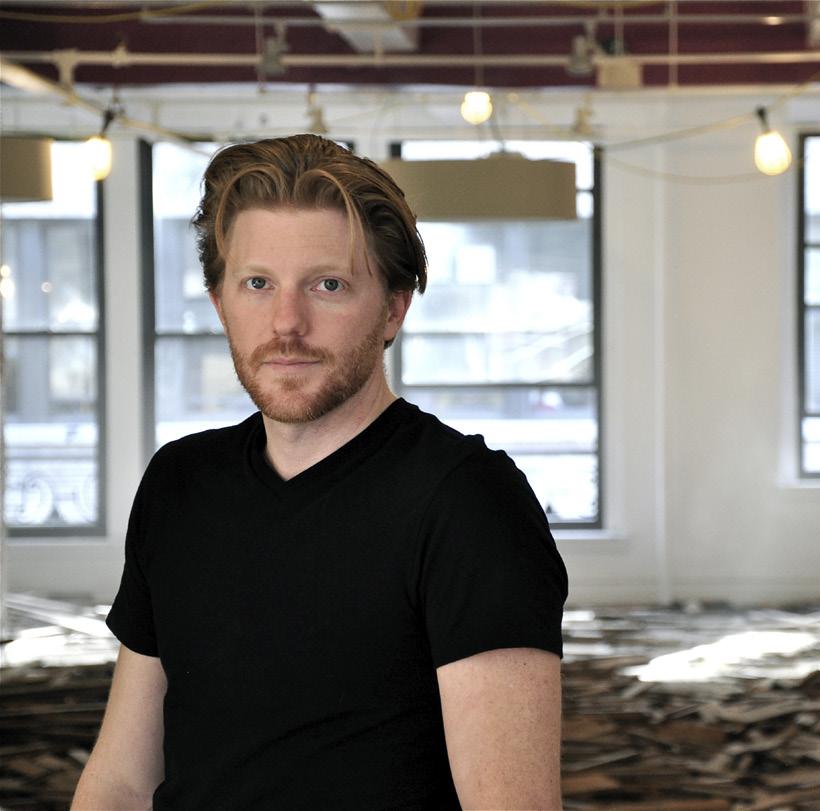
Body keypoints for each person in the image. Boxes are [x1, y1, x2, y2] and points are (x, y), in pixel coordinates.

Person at [72, 134, 569, 810]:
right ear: (220, 304)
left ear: (393, 308)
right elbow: (122, 781)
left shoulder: (469, 503)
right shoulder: (179, 482)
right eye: (258, 284)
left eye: (327, 285)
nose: (287, 322)